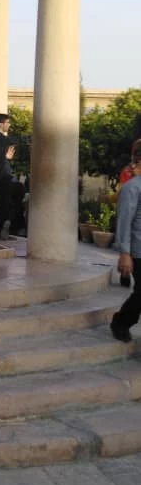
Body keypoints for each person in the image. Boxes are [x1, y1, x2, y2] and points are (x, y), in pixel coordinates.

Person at [110, 143, 141, 344]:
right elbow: (124, 221)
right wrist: (124, 253)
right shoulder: (132, 187)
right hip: (138, 250)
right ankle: (121, 322)